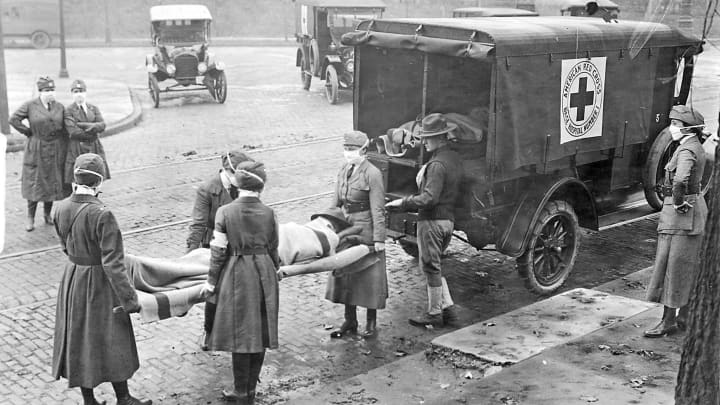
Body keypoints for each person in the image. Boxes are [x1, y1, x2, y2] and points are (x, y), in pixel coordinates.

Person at [52, 153, 151, 405]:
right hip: (100, 283)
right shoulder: (102, 214)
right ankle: (124, 398)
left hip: (73, 279)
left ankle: (89, 400)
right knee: (113, 335)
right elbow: (113, 263)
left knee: (78, 337)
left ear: (75, 178)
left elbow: (64, 246)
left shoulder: (59, 207)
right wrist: (130, 300)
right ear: (98, 182)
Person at [200, 161, 279, 405]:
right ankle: (250, 391)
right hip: (264, 273)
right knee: (260, 332)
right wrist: (275, 269)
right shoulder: (269, 213)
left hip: (237, 274)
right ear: (261, 186)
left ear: (237, 183)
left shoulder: (225, 212)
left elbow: (218, 251)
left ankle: (240, 392)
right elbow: (274, 247)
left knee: (241, 334)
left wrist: (211, 281)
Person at [385, 113, 462, 329]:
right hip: (447, 221)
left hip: (432, 222)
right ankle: (449, 311)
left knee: (430, 267)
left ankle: (434, 313)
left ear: (440, 138)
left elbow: (429, 199)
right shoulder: (453, 158)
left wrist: (403, 203)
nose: (424, 141)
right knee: (434, 267)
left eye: (428, 138)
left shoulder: (437, 165)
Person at [644, 105, 708, 338]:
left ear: (688, 128)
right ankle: (684, 316)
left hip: (681, 217)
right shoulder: (695, 146)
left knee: (672, 268)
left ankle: (668, 321)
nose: (671, 128)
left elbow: (680, 180)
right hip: (693, 214)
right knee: (687, 267)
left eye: (675, 124)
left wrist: (679, 202)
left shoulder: (686, 150)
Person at [187, 150, 254, 350]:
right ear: (227, 171)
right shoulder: (207, 189)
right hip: (214, 244)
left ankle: (237, 329)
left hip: (240, 243)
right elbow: (198, 224)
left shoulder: (245, 184)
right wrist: (190, 255)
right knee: (214, 290)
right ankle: (209, 331)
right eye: (237, 175)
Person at [326, 131, 387, 339]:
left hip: (365, 228)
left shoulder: (373, 173)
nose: (348, 152)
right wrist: (328, 224)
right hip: (346, 226)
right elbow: (335, 203)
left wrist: (379, 238)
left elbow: (378, 208)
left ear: (363, 150)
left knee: (369, 277)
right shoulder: (344, 169)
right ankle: (350, 320)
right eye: (346, 149)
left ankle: (371, 321)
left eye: (352, 149)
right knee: (346, 274)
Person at [10, 76, 69, 232]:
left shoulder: (59, 107)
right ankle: (30, 218)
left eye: (52, 90)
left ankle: (47, 214)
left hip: (54, 149)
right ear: (40, 91)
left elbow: (66, 126)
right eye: (46, 90)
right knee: (34, 183)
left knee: (51, 182)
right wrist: (28, 132)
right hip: (37, 149)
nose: (50, 93)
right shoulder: (30, 105)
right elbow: (14, 119)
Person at [64, 79, 110, 189]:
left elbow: (102, 125)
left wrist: (82, 125)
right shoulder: (68, 111)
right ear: (72, 94)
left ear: (85, 92)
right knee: (78, 179)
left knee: (96, 175)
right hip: (77, 148)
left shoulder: (93, 108)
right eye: (76, 92)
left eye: (81, 91)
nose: (79, 94)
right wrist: (93, 129)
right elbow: (73, 132)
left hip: (94, 147)